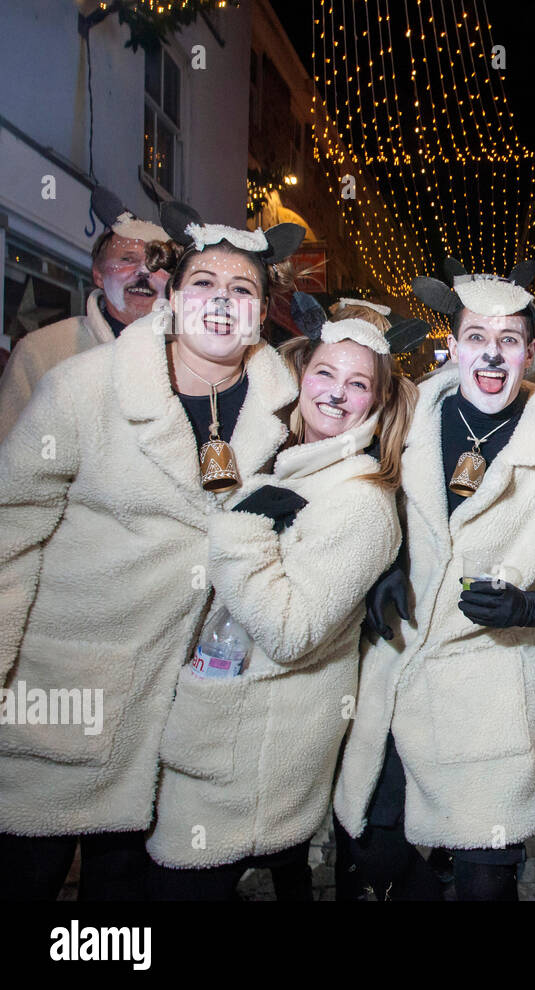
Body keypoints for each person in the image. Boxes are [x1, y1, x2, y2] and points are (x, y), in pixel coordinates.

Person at [0, 199, 304, 900]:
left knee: (124, 916)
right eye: (204, 284)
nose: (222, 302)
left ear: (261, 313)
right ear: (172, 296)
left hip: (181, 719)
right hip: (63, 699)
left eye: (243, 290)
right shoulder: (84, 387)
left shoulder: (284, 416)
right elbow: (11, 532)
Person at [334, 260, 535, 901]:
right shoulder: (401, 422)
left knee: (486, 878)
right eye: (478, 338)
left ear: (532, 352)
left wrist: (529, 605)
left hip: (489, 689)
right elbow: (341, 494)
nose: (492, 354)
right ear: (455, 346)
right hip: (396, 666)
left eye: (510, 340)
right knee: (374, 847)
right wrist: (388, 567)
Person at [145, 297, 419, 900]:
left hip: (256, 745)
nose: (335, 393)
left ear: (377, 399)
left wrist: (239, 529)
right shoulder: (293, 466)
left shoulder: (361, 501)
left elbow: (291, 633)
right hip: (229, 728)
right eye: (324, 373)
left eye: (357, 384)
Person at [0, 186, 172, 440]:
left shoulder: (190, 358)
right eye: (127, 259)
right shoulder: (41, 352)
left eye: (156, 264)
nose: (143, 272)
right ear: (98, 275)